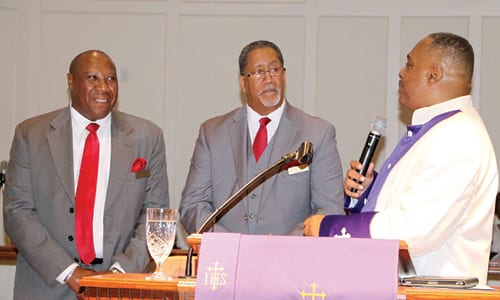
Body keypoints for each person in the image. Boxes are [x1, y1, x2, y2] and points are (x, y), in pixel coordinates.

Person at [303, 32, 498, 285]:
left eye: (409, 64)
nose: (401, 72)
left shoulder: (459, 135)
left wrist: (331, 229)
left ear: (433, 74)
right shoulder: (439, 130)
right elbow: (413, 207)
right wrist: (368, 193)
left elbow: (415, 230)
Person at [3, 50, 169, 299]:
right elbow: (17, 211)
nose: (104, 87)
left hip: (120, 288)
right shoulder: (31, 135)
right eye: (92, 78)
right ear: (71, 81)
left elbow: (155, 214)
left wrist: (119, 274)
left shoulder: (147, 136)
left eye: (111, 79)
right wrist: (69, 271)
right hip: (46, 285)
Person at [179, 40, 345, 236]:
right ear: (243, 82)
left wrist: (278, 248)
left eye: (274, 70)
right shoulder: (213, 133)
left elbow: (329, 209)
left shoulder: (318, 133)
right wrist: (230, 245)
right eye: (258, 72)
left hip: (290, 259)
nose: (268, 79)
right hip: (226, 259)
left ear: (284, 75)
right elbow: (192, 205)